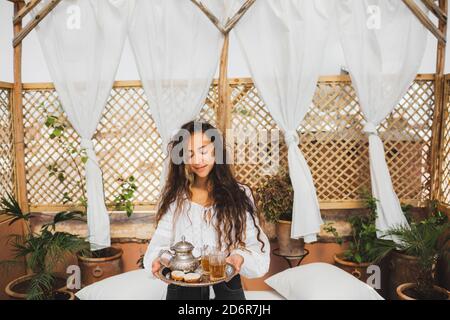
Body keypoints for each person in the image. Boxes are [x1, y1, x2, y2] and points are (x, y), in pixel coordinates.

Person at [143, 120, 270, 300]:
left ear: (216, 150)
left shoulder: (240, 194)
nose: (197, 160)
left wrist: (238, 257)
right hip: (182, 290)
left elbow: (254, 246)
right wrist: (162, 259)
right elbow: (160, 244)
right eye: (190, 154)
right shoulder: (175, 197)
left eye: (203, 150)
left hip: (228, 290)